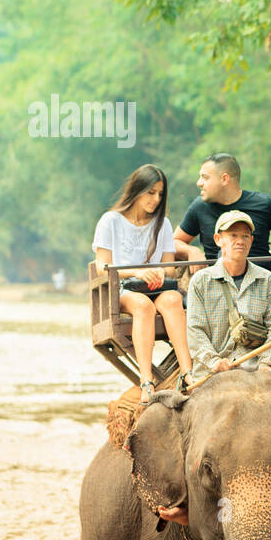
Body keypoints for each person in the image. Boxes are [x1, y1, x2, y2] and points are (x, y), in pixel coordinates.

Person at [174, 152, 271, 393]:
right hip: (218, 282)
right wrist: (191, 251)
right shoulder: (199, 208)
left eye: (205, 177)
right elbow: (174, 242)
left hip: (264, 280)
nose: (199, 183)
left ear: (224, 178)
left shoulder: (264, 204)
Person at [93, 164, 193, 401]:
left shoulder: (163, 224)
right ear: (137, 190)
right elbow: (102, 266)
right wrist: (137, 273)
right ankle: (147, 381)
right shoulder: (111, 221)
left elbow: (169, 267)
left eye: (160, 194)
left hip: (156, 287)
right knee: (142, 306)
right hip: (124, 289)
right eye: (151, 192)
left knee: (173, 299)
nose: (156, 199)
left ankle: (189, 372)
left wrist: (159, 272)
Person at [186, 210, 271, 383]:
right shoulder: (200, 281)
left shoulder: (266, 279)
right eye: (233, 235)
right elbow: (196, 331)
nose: (240, 241)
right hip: (211, 374)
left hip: (255, 372)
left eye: (245, 236)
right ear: (218, 240)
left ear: (251, 240)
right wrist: (214, 362)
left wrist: (267, 365)